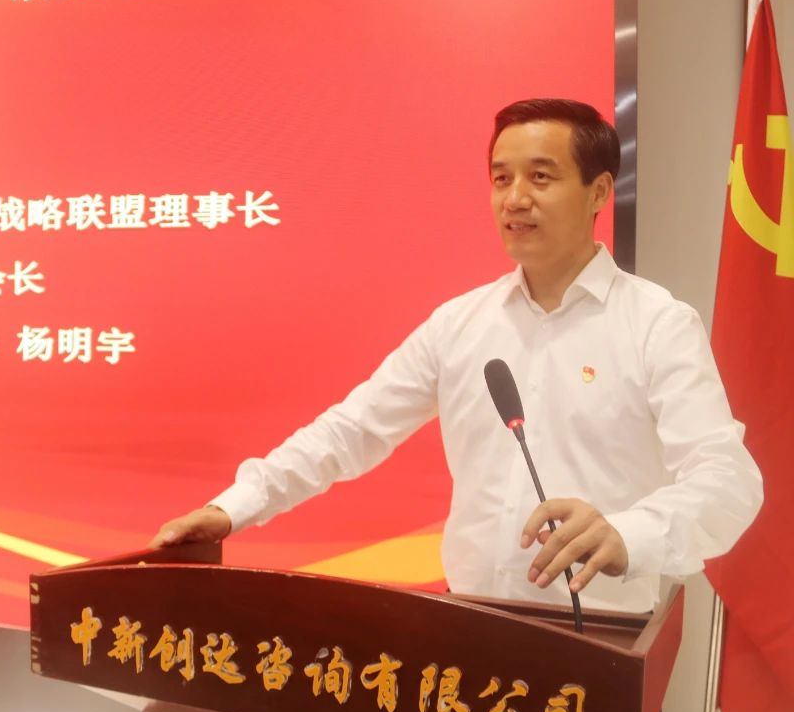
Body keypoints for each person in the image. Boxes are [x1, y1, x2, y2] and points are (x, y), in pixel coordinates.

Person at [150, 98, 763, 616]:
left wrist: (628, 533)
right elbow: (351, 430)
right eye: (501, 179)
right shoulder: (460, 323)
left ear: (598, 191)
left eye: (541, 177)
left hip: (603, 641)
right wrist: (233, 509)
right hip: (470, 630)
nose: (514, 199)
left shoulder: (656, 324)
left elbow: (728, 479)